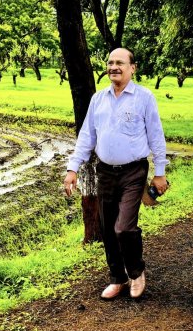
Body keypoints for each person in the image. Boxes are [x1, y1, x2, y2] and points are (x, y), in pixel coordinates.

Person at [64, 48, 168, 300]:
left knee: (124, 228)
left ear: (133, 68)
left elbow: (156, 135)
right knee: (107, 227)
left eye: (120, 63)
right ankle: (117, 277)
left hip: (134, 171)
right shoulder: (98, 99)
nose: (114, 67)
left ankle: (136, 271)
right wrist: (72, 168)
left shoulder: (144, 97)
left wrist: (160, 172)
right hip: (106, 172)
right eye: (110, 63)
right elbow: (87, 137)